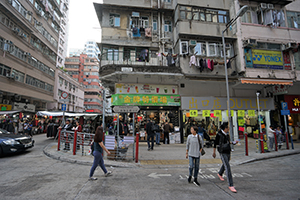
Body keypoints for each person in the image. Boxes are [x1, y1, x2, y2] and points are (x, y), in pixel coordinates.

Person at [212, 122, 237, 193]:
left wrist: (233, 142)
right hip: (222, 152)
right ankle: (231, 185)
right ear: (225, 128)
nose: (228, 129)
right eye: (228, 128)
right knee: (227, 167)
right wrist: (214, 153)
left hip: (228, 151)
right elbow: (215, 144)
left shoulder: (227, 135)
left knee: (226, 163)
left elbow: (228, 142)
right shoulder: (219, 134)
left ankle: (220, 173)